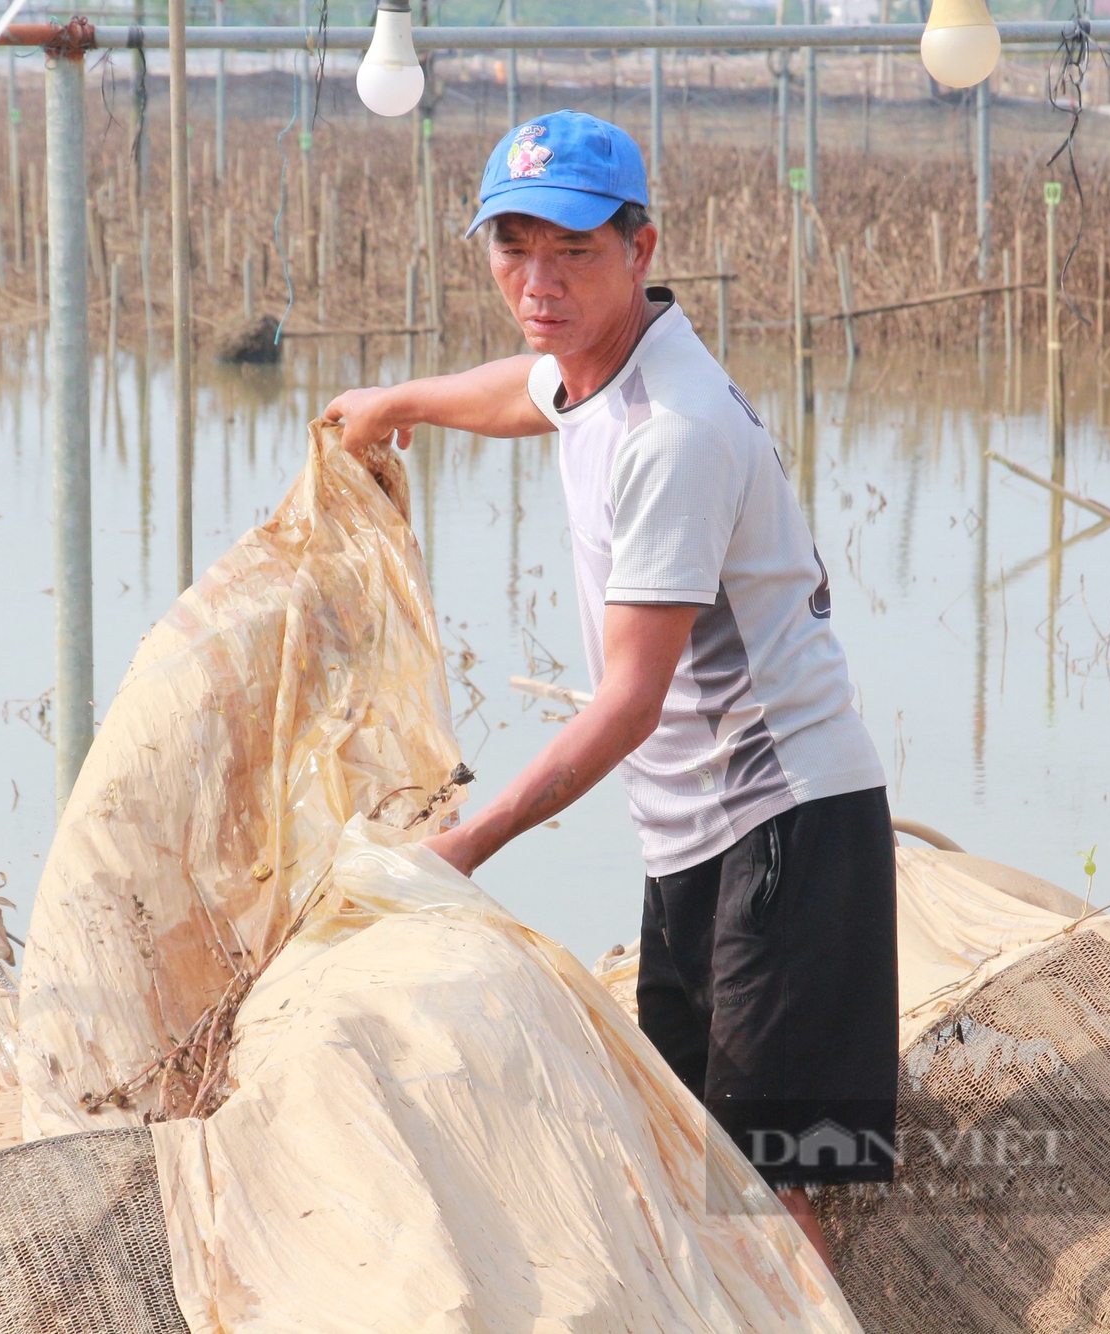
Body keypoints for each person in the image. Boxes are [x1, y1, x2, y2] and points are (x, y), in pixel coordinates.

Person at [323, 111, 896, 1268]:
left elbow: (629, 700)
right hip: (692, 836)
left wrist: (465, 842)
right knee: (698, 1148)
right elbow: (526, 387)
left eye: (573, 251)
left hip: (783, 827)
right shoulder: (596, 368)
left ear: (639, 250)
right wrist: (397, 402)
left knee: (770, 1187)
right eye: (512, 246)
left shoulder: (672, 434)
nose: (537, 283)